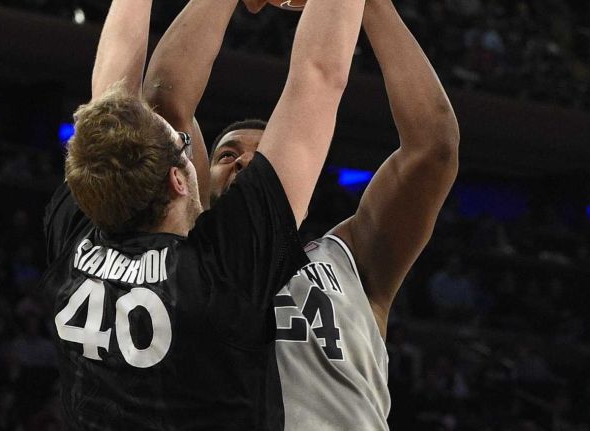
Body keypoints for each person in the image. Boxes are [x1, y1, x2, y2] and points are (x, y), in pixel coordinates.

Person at [40, 0, 367, 429]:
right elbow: (318, 75)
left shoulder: (81, 233)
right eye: (182, 142)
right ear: (179, 180)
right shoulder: (220, 271)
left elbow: (321, 75)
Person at [144, 0, 459, 428]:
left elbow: (434, 148)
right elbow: (164, 104)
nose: (243, 162)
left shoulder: (351, 258)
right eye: (227, 154)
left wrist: (371, 5)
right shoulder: (181, 248)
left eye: (262, 153)